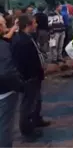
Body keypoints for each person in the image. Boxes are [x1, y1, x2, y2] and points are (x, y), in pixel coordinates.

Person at [11, 14, 50, 140]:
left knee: (36, 100)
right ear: (28, 25)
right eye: (34, 23)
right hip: (29, 77)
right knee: (28, 104)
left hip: (35, 75)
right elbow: (22, 62)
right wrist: (30, 76)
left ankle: (36, 119)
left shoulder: (28, 37)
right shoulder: (22, 41)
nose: (36, 24)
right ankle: (27, 130)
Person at [0, 15, 24, 148]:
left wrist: (13, 27)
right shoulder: (2, 46)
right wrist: (19, 86)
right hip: (4, 92)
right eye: (3, 24)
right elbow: (6, 73)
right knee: (5, 127)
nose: (5, 27)